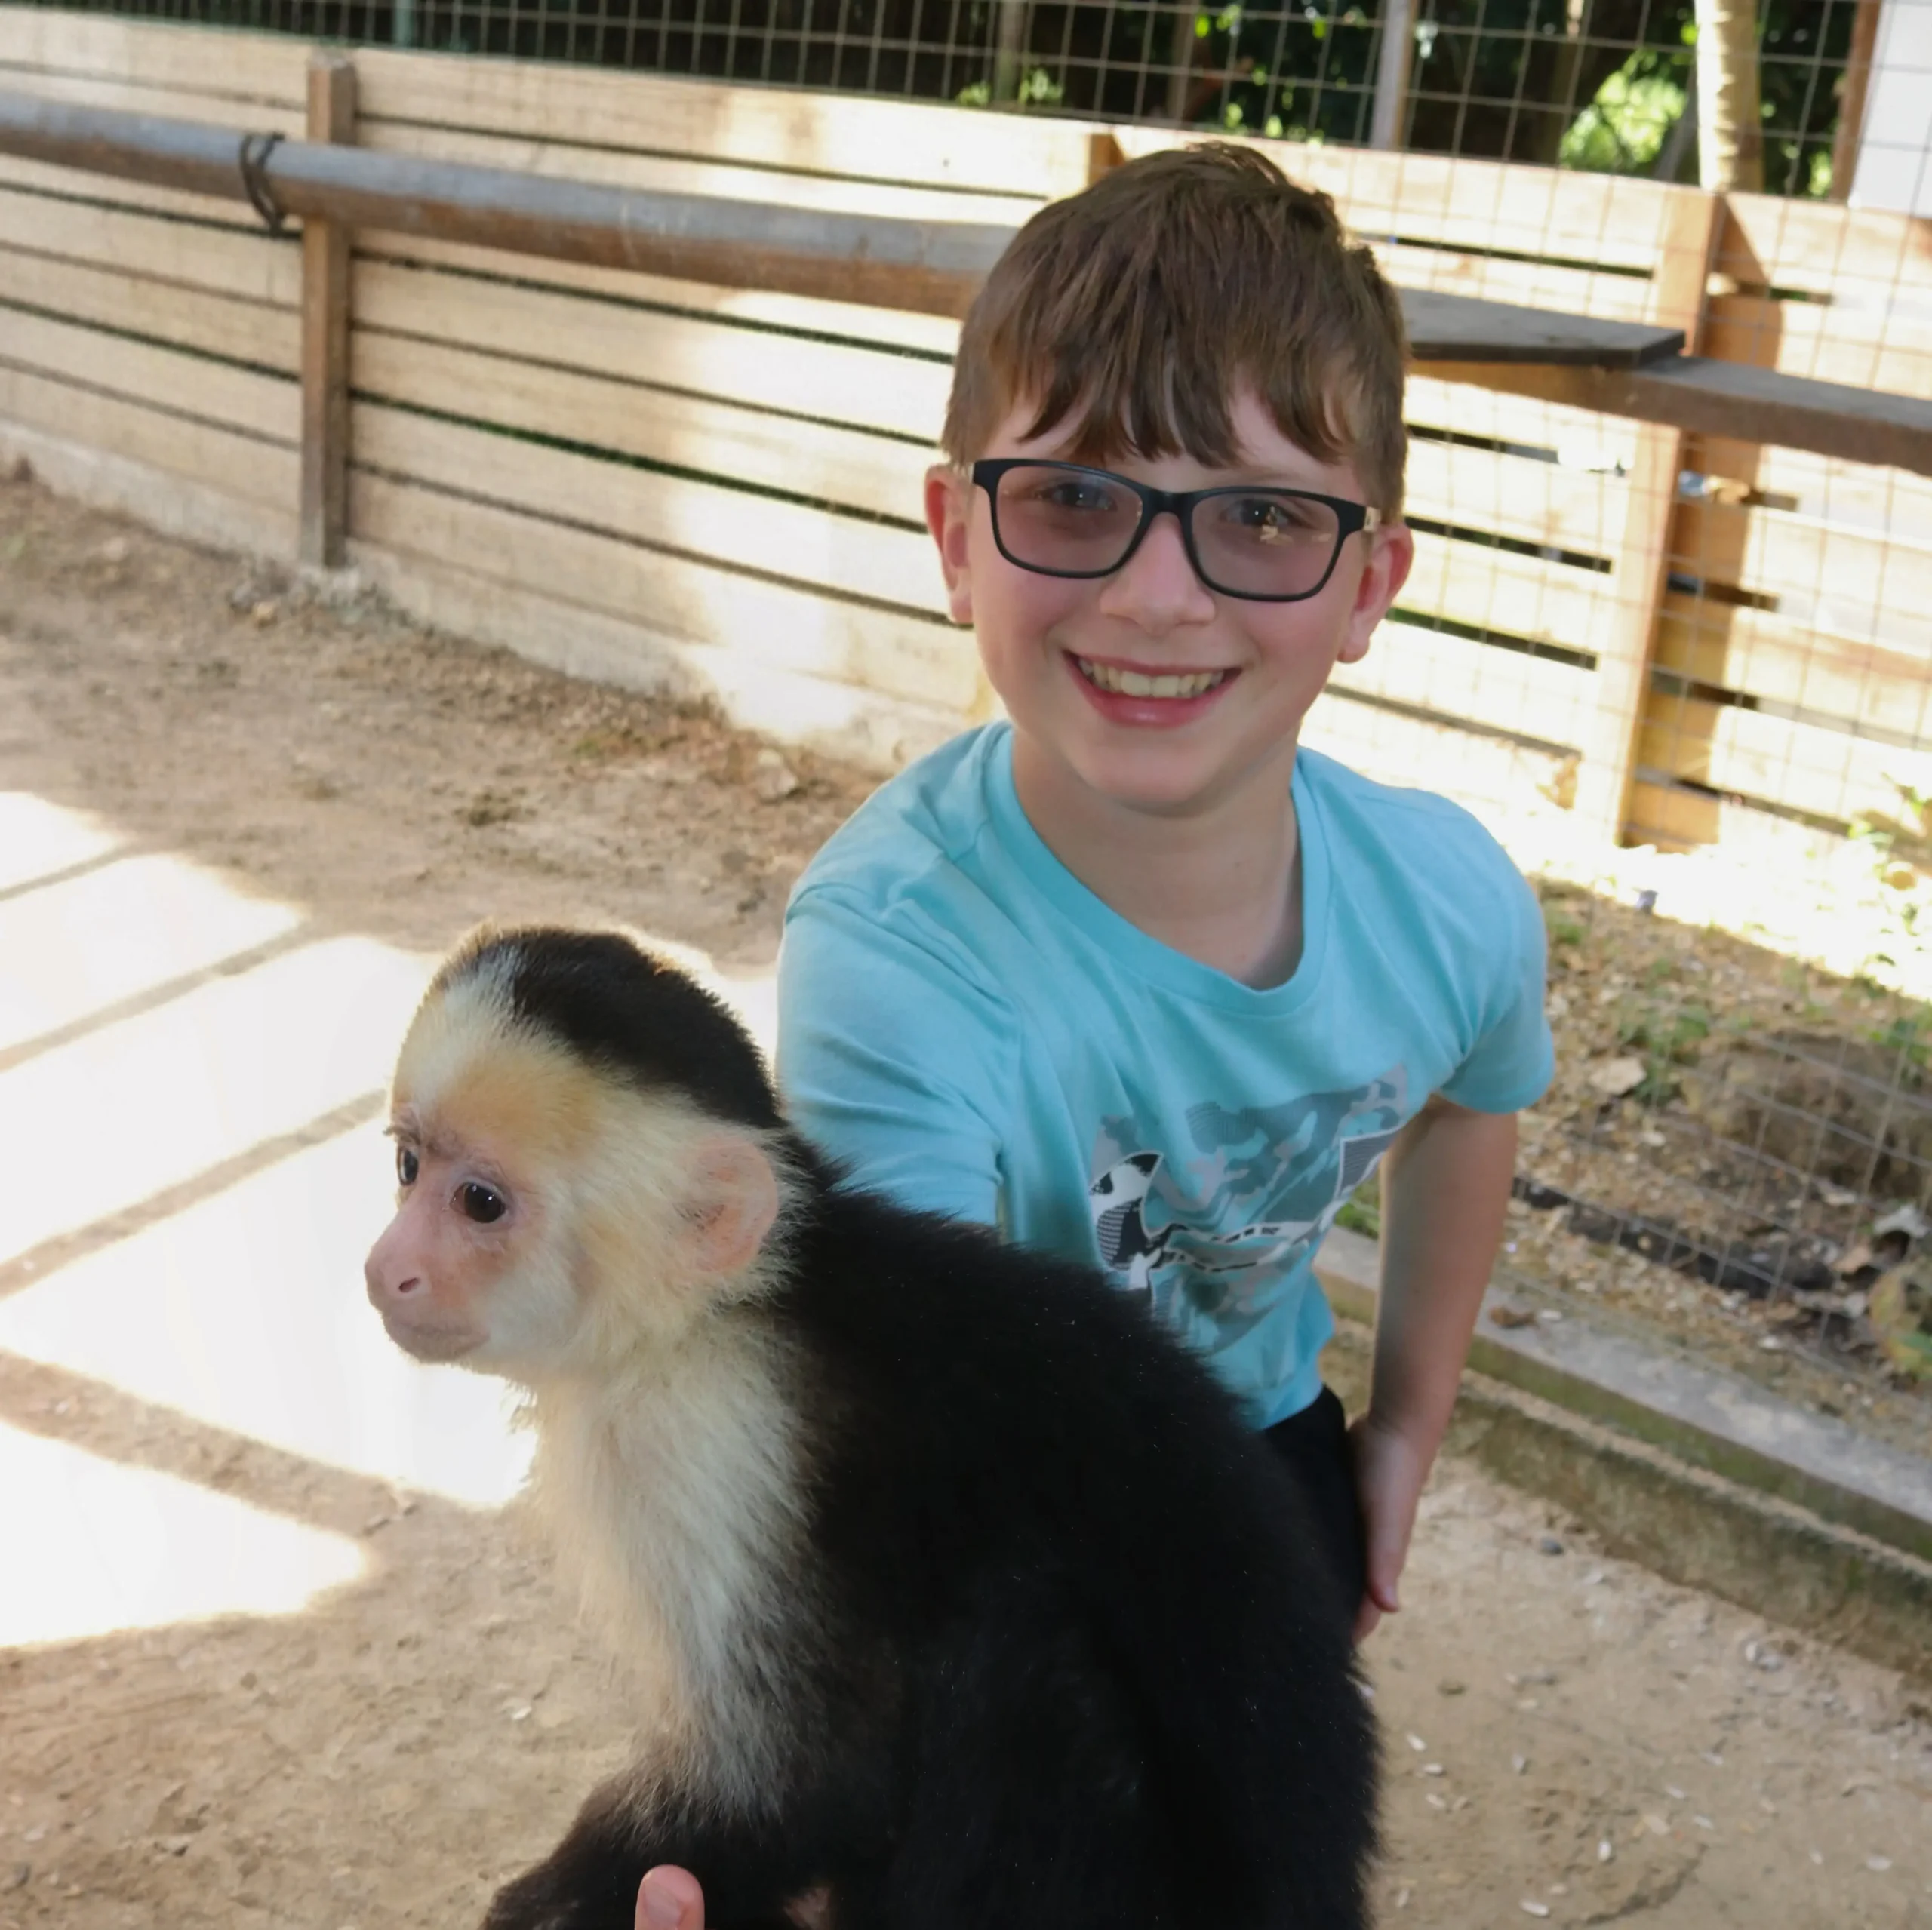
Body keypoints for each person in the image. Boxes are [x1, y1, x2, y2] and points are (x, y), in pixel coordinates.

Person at [638, 140, 1553, 1928]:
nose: (1155, 596)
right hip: (992, 1499)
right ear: (953, 536)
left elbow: (1473, 1106)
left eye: (1263, 515)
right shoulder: (895, 956)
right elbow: (923, 1469)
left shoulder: (1447, 900)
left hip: (1250, 1437)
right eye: (1071, 497)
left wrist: (1401, 1430)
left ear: (1371, 585)